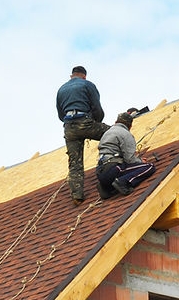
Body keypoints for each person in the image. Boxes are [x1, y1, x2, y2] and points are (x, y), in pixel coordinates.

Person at [56, 66, 109, 204]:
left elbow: (60, 114)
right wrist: (95, 122)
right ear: (84, 76)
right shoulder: (87, 85)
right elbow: (97, 108)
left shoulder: (61, 89)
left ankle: (77, 196)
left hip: (69, 128)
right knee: (113, 133)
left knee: (75, 163)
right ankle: (116, 164)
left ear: (71, 76)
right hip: (84, 122)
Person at [96, 111, 155, 199]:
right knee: (149, 167)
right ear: (130, 126)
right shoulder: (125, 134)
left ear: (116, 122)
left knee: (121, 170)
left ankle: (106, 187)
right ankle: (123, 182)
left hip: (100, 172)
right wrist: (140, 161)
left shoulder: (107, 133)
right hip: (114, 168)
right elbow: (130, 159)